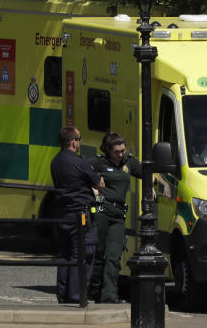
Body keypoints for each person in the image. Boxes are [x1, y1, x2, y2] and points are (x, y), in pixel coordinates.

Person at [50, 126, 104, 304]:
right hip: (80, 214)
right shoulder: (80, 162)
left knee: (64, 254)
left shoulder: (56, 161)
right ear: (73, 142)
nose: (80, 142)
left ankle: (63, 294)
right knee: (81, 253)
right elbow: (100, 184)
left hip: (62, 213)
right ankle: (76, 295)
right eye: (79, 139)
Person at [89, 132, 141, 303]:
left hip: (118, 214)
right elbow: (80, 172)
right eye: (117, 151)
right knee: (99, 252)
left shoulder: (129, 162)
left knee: (114, 255)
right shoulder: (98, 162)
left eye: (123, 150)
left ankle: (109, 295)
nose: (121, 154)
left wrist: (153, 183)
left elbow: (147, 171)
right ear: (108, 150)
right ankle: (93, 290)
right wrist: (92, 189)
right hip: (102, 208)